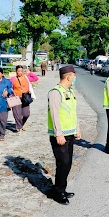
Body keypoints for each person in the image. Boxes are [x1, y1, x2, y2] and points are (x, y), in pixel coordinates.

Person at [47, 65, 81, 204]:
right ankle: (57, 192)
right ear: (68, 76)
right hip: (60, 135)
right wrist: (58, 134)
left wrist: (77, 128)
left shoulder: (70, 91)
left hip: (70, 132)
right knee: (63, 162)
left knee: (68, 163)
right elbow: (54, 114)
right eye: (74, 75)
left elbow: (73, 112)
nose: (74, 78)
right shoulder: (55, 92)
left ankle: (62, 188)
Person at [11, 65, 36, 133]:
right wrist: (10, 94)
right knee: (17, 114)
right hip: (15, 97)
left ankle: (21, 124)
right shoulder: (13, 79)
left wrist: (30, 73)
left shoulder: (26, 77)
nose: (20, 72)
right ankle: (19, 127)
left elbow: (35, 78)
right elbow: (9, 87)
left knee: (26, 114)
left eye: (21, 71)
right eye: (18, 71)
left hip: (25, 97)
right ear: (16, 72)